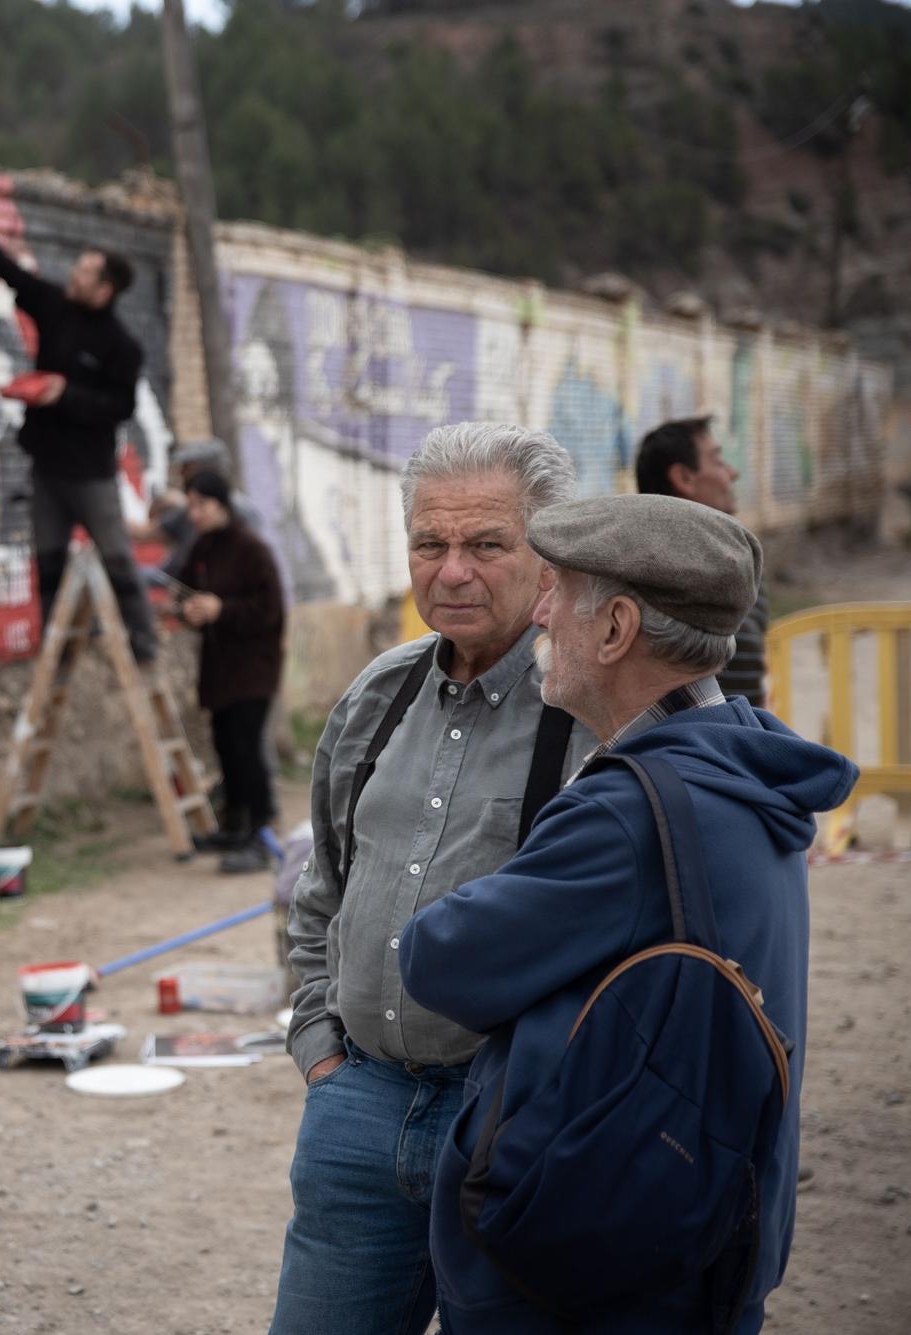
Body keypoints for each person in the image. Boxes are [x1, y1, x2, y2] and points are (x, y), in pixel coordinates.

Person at [399, 493, 855, 1332]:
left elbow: (440, 958)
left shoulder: (629, 810)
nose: (537, 611)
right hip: (692, 1225)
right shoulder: (742, 760)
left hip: (589, 1263)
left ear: (613, 630)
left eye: (557, 589)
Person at [273, 422, 594, 1335]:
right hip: (357, 1106)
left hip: (512, 1125)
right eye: (430, 542)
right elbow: (323, 887)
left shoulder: (590, 712)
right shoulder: (378, 694)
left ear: (548, 553)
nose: (451, 570)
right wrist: (321, 1046)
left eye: (486, 545)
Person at [0, 184, 162, 665]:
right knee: (49, 563)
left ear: (105, 290)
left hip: (92, 473)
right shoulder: (56, 307)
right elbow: (14, 275)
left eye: (84, 272)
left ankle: (143, 643)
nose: (74, 276)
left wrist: (68, 394)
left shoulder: (121, 345)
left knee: (118, 558)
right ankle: (59, 651)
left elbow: (119, 407)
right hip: (47, 466)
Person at [175, 467, 284, 873]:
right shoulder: (203, 548)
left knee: (246, 749)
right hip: (219, 669)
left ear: (220, 503)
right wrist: (187, 610)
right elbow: (183, 590)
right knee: (226, 748)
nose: (194, 513)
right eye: (190, 505)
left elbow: (270, 609)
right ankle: (235, 827)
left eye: (200, 504)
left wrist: (223, 608)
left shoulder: (252, 549)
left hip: (253, 668)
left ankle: (261, 835)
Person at [635, 416, 769, 707]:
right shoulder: (649, 578)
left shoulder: (739, 561)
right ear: (684, 478)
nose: (732, 473)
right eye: (719, 461)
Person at [135, 437, 266, 588]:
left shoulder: (242, 512)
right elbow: (147, 534)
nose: (182, 474)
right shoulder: (188, 513)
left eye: (188, 468)